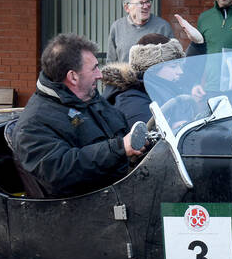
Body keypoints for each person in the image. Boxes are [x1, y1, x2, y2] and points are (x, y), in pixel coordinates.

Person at [11, 33, 144, 198]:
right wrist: (119, 148)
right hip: (87, 210)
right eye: (94, 68)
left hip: (125, 191)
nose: (100, 75)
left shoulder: (90, 98)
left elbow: (122, 129)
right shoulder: (33, 124)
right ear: (73, 77)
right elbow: (61, 171)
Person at [100, 34, 186, 126]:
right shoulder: (132, 99)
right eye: (173, 66)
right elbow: (146, 135)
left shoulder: (161, 87)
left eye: (180, 65)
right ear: (153, 68)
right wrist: (173, 128)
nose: (180, 71)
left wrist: (197, 45)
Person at [107, 0, 173, 64]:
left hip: (153, 76)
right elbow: (111, 62)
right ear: (127, 8)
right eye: (140, 3)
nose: (146, 6)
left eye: (147, 2)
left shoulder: (163, 27)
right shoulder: (117, 27)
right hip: (126, 76)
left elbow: (172, 61)